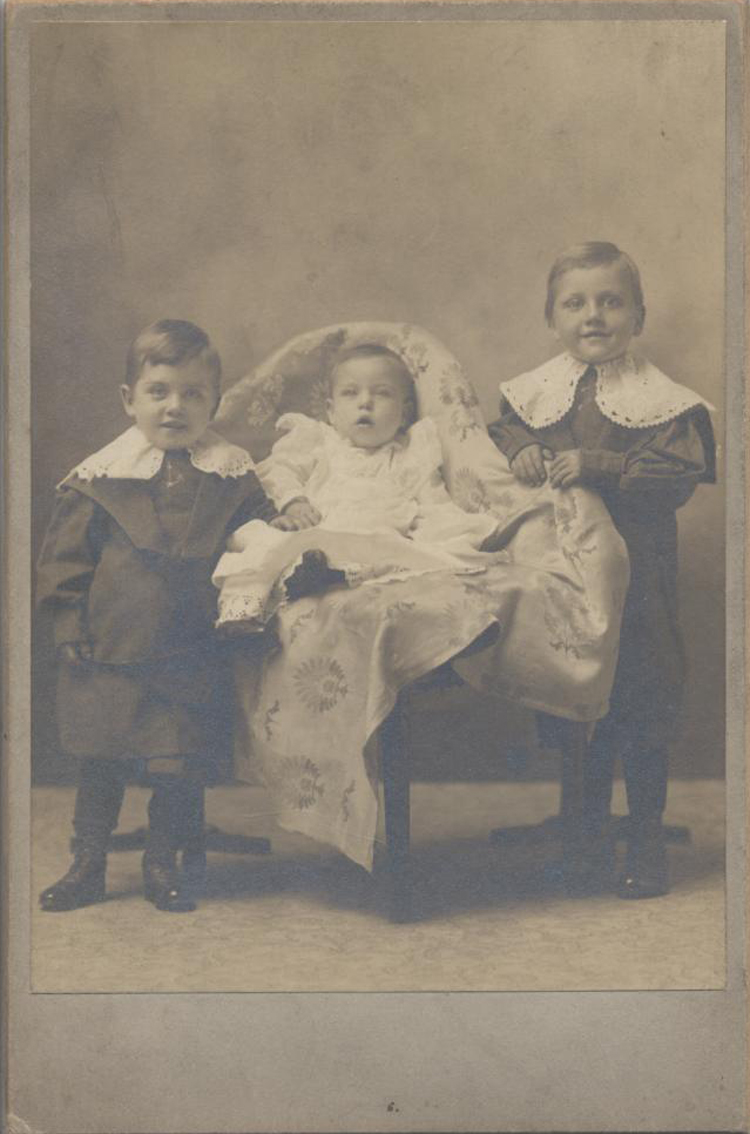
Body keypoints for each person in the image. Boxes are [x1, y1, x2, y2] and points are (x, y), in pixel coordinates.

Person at [488, 242, 716, 898]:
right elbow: (499, 434)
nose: (593, 316)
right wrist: (523, 448)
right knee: (575, 699)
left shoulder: (662, 401)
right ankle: (582, 835)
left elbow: (679, 472)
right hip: (562, 573)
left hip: (638, 579)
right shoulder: (536, 390)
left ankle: (644, 838)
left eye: (611, 302)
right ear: (551, 317)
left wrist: (600, 464)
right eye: (575, 304)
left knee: (638, 700)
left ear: (638, 317)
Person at [36, 319, 282, 913]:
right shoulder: (100, 478)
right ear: (130, 400)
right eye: (159, 391)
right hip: (109, 649)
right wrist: (68, 625)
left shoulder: (230, 475)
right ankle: (87, 864)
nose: (175, 406)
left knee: (178, 764)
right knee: (101, 761)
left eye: (193, 393)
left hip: (186, 647)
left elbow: (259, 539)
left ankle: (162, 862)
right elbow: (65, 560)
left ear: (214, 403)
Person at [213, 343, 502, 629]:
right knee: (265, 543)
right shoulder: (320, 443)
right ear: (331, 411)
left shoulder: (412, 455)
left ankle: (331, 576)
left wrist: (442, 540)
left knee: (403, 560)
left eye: (382, 393)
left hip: (374, 543)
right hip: (315, 535)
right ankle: (243, 614)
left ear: (404, 413)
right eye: (350, 393)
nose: (365, 403)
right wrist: (294, 502)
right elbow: (280, 470)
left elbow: (434, 506)